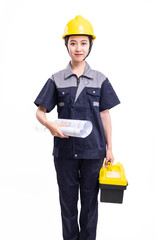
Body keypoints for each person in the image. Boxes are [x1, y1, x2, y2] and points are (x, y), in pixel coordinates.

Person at [34, 15, 120, 240]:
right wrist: (49, 124)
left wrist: (110, 149)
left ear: (90, 45)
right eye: (73, 43)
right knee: (68, 204)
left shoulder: (100, 79)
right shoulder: (56, 79)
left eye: (83, 43)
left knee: (90, 204)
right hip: (65, 153)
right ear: (66, 45)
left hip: (94, 152)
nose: (78, 48)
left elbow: (105, 115)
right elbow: (40, 112)